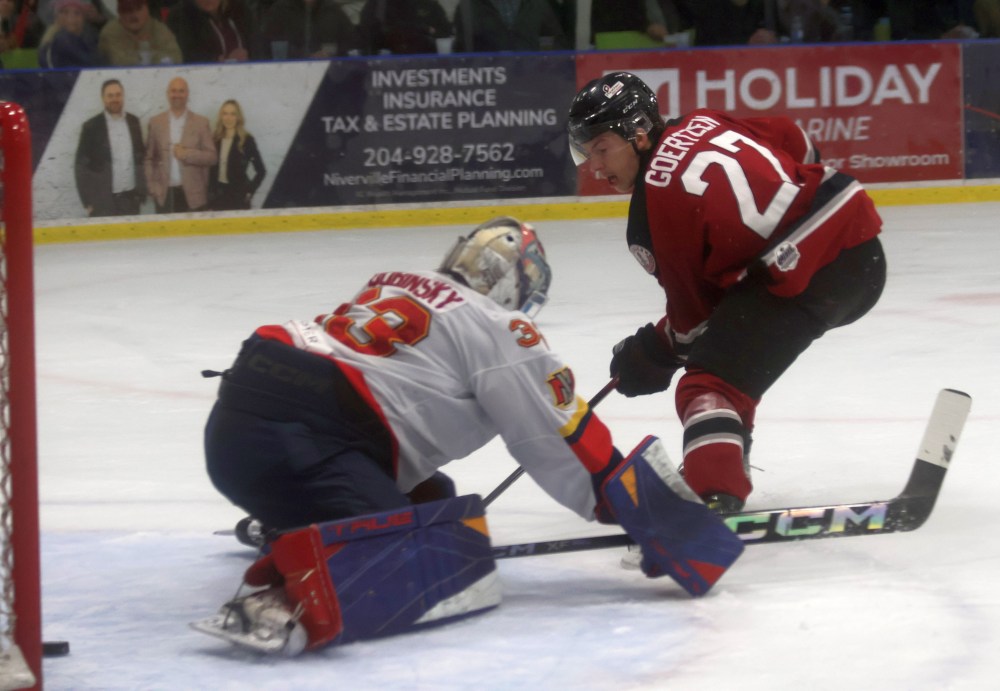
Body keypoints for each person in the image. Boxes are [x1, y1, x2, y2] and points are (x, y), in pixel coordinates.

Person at [197, 217, 743, 654]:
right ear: (520, 286)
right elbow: (563, 441)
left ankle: (291, 518)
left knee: (434, 500)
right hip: (302, 439)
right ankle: (279, 593)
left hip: (238, 418)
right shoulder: (500, 328)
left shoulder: (393, 280)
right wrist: (651, 518)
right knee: (431, 563)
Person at [566, 72, 885, 514]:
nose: (594, 166)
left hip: (812, 275)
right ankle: (723, 459)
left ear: (638, 134)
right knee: (730, 358)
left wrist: (653, 353)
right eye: (585, 152)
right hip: (859, 245)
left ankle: (712, 497)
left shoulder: (650, 214)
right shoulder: (702, 121)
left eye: (601, 148)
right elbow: (793, 139)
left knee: (709, 384)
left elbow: (696, 321)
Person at [74, 79, 146, 217]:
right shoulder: (91, 126)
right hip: (102, 201)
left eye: (118, 95)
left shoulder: (134, 122)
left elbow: (141, 158)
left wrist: (141, 192)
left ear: (123, 96)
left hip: (130, 200)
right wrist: (88, 201)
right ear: (103, 98)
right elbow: (80, 166)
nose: (114, 99)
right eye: (110, 95)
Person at [144, 76, 217, 212]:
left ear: (187, 94)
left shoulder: (201, 122)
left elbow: (212, 157)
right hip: (164, 195)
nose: (177, 95)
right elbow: (149, 158)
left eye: (181, 91)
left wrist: (187, 154)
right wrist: (152, 186)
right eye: (173, 91)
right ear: (167, 94)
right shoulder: (155, 122)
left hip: (194, 197)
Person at [209, 99, 265, 210]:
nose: (228, 118)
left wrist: (250, 191)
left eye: (232, 114)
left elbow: (261, 170)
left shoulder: (247, 140)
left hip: (238, 197)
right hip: (217, 197)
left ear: (238, 117)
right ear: (221, 116)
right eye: (225, 113)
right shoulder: (215, 138)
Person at [257, 0, 362, 60]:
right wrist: (305, 57)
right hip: (288, 81)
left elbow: (351, 48)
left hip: (329, 81)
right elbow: (266, 49)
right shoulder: (280, 11)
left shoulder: (333, 11)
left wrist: (330, 56)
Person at [452, 0, 569, 52]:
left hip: (533, 82)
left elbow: (558, 42)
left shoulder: (537, 4)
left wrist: (543, 62)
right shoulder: (468, 7)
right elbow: (461, 55)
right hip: (489, 86)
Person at [166, 0, 254, 63]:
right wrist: (222, 60)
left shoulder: (240, 10)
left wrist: (249, 56)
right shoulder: (180, 16)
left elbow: (258, 46)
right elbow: (185, 55)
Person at [98, 0, 182, 65]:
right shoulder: (110, 32)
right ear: (119, 12)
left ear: (147, 10)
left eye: (138, 9)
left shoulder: (158, 29)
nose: (133, 15)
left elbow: (176, 58)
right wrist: (151, 56)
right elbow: (119, 61)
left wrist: (146, 57)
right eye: (127, 10)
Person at [356, 0, 451, 55]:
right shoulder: (378, 5)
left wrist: (432, 34)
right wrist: (425, 29)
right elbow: (369, 33)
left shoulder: (431, 5)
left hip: (430, 60)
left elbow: (446, 32)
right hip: (391, 61)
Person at [38, 0, 98, 66]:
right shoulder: (60, 40)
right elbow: (93, 65)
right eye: (65, 12)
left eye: (77, 13)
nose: (71, 18)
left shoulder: (90, 39)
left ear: (83, 18)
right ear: (56, 17)